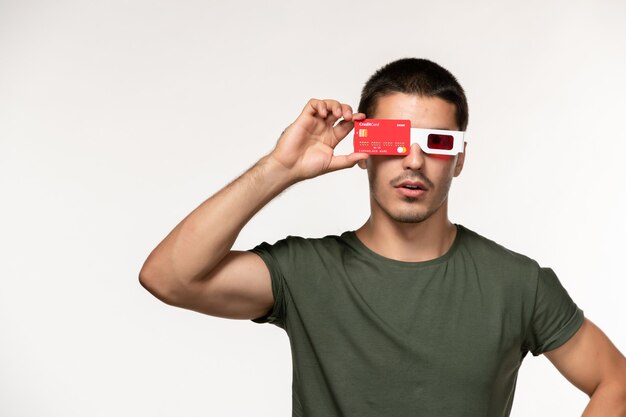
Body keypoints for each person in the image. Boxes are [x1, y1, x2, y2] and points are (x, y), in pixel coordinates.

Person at [139, 58, 626, 417]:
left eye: (437, 142)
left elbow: (615, 381)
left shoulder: (518, 283)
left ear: (459, 159)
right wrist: (279, 169)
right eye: (393, 140)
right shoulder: (307, 273)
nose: (414, 160)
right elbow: (167, 277)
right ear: (365, 149)